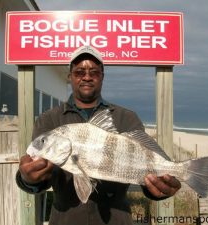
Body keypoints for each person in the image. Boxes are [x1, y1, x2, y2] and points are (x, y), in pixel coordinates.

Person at [16, 45, 181, 225]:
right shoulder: (49, 120)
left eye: (94, 72)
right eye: (79, 72)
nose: (87, 77)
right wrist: (27, 179)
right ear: (70, 76)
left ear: (102, 76)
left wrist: (157, 189)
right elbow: (39, 179)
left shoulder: (126, 117)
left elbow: (145, 176)